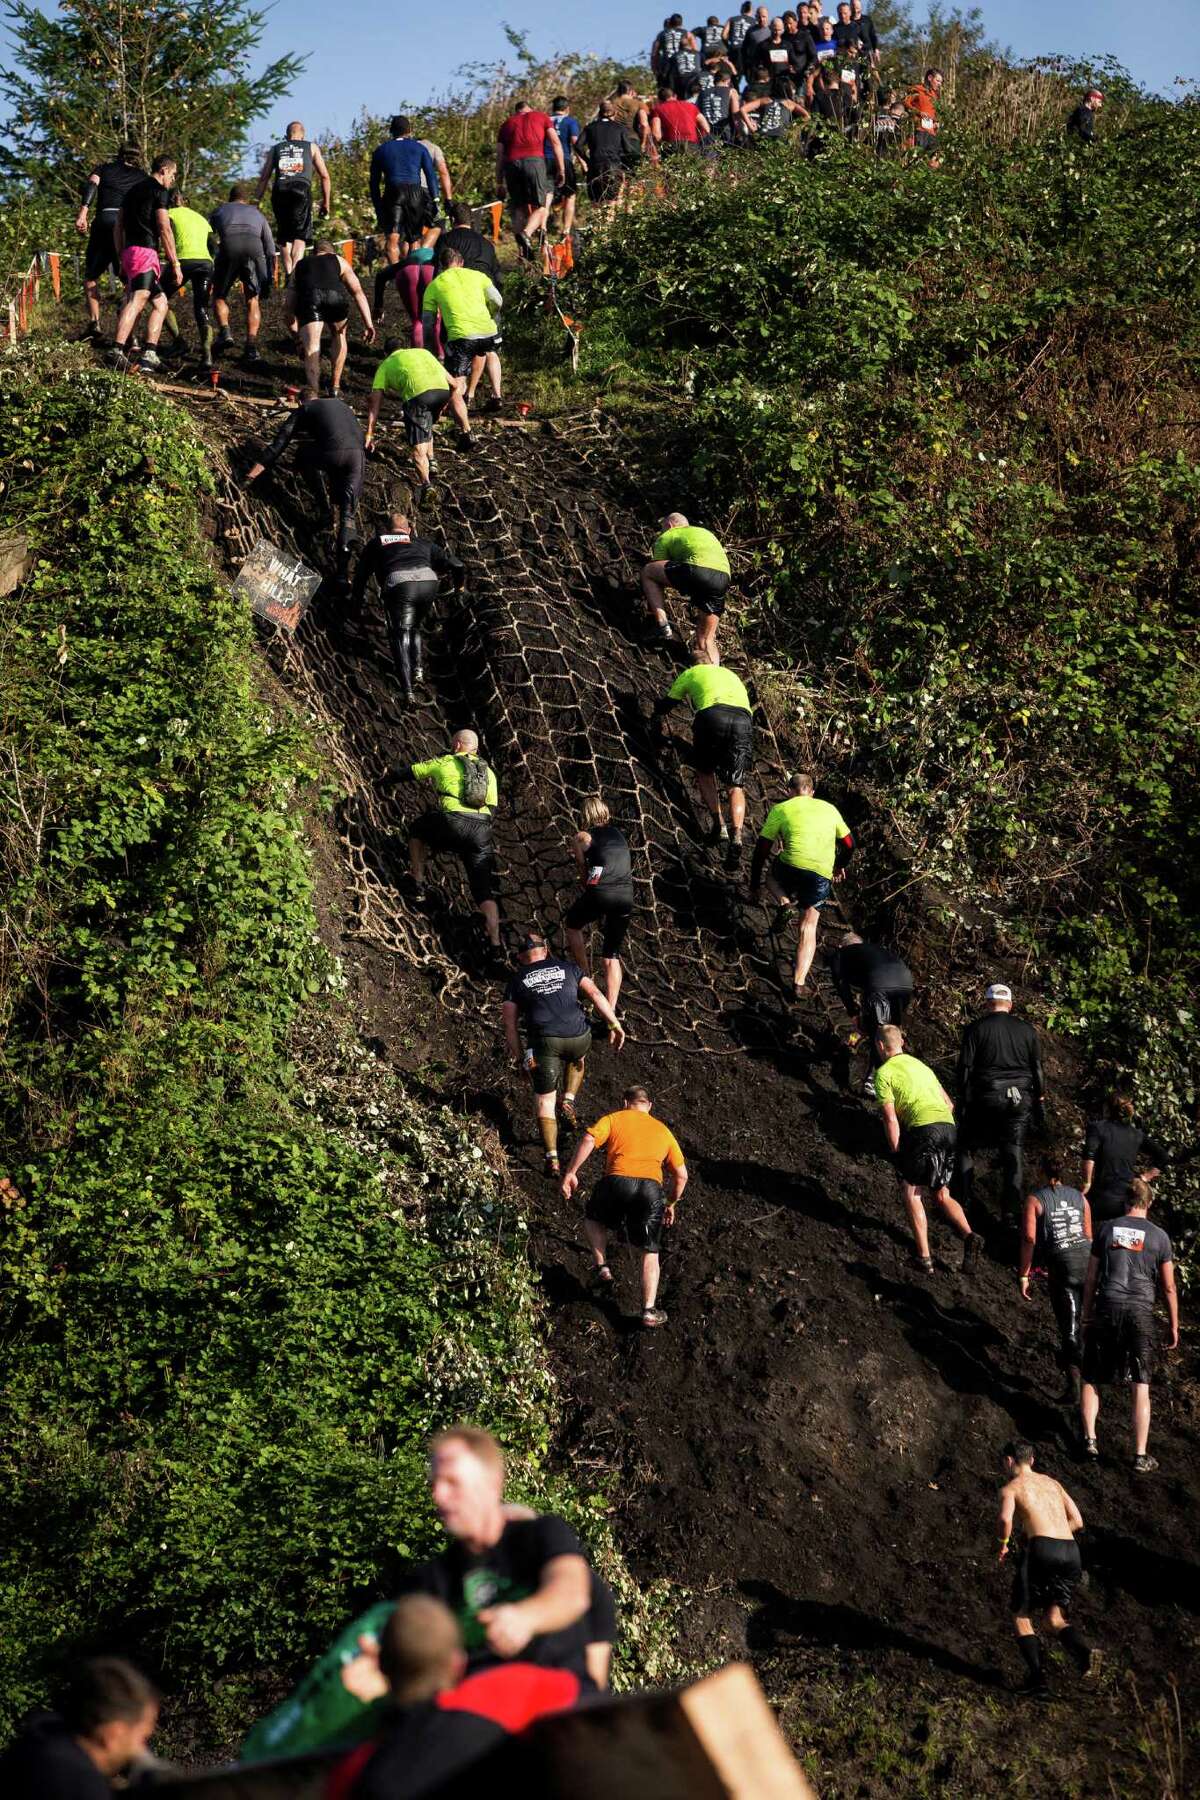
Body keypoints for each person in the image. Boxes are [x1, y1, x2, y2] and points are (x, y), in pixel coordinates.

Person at [396, 1429, 596, 1675]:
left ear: (492, 1483)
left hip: (559, 1695)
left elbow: (571, 1593)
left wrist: (526, 1617)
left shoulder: (542, 1534)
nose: (438, 1496)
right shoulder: (433, 1578)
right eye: (434, 1484)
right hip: (478, 1704)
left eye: (452, 1482)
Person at [561, 1085, 686, 1329]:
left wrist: (571, 1172)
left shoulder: (614, 1118)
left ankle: (602, 1267)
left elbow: (588, 1138)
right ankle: (649, 1310)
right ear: (649, 1106)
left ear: (625, 1102)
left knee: (593, 1218)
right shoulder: (663, 1131)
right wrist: (670, 1203)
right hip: (651, 1189)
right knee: (650, 1250)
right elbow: (682, 1176)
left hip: (617, 1181)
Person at [503, 933, 625, 1177]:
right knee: (577, 1057)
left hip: (544, 1044)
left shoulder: (516, 981)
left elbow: (510, 1026)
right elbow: (596, 995)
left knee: (545, 1101)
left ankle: (552, 1158)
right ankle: (569, 1099)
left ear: (519, 957)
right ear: (546, 949)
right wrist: (614, 1024)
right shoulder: (568, 967)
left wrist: (519, 1059)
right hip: (580, 1038)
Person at [1080, 1178, 1178, 1472]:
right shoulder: (1160, 1237)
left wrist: (1086, 1314)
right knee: (1141, 1384)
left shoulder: (1107, 1229)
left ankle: (1090, 1440)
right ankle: (1139, 1454)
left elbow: (1091, 1278)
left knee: (1091, 1375)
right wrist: (1174, 1324)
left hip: (1108, 1305)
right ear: (1149, 1203)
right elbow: (1169, 1286)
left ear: (1126, 1201)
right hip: (1140, 1312)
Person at [996, 1441, 1101, 1700]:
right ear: (1032, 1460)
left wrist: (1004, 1544)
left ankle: (1038, 1682)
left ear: (1009, 1461)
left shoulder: (1011, 1488)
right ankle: (1086, 1654)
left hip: (1041, 1549)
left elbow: (1005, 1519)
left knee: (1021, 1614)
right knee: (1053, 1618)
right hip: (1070, 1551)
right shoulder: (1054, 1484)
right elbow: (1078, 1520)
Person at [874, 1024, 982, 1275]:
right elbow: (949, 1103)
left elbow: (890, 1118)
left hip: (924, 1130)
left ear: (881, 1046)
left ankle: (923, 1257)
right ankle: (969, 1235)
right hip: (948, 1128)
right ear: (902, 1042)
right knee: (941, 1192)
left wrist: (896, 1152)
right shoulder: (922, 1066)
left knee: (912, 1191)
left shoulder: (884, 1073)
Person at [391, 730, 503, 957]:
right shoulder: (489, 773)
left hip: (453, 822)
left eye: (454, 743)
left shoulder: (448, 760)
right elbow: (492, 808)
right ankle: (496, 945)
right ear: (476, 748)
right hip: (481, 831)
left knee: (417, 830)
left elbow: (413, 772)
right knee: (483, 890)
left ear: (458, 744)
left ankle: (418, 882)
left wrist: (384, 780)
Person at [750, 772, 854, 996]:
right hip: (820, 873)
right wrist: (839, 866)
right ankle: (799, 983)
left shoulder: (781, 808)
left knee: (771, 876)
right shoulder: (830, 809)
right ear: (812, 792)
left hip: (790, 864)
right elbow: (850, 844)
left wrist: (754, 884)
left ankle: (784, 902)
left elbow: (762, 849)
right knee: (809, 926)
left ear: (790, 791)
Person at [243, 389, 365, 575]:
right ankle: (343, 576)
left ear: (300, 402)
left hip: (332, 453)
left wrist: (251, 475)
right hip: (357, 456)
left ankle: (324, 509)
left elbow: (279, 444)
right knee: (348, 516)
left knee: (302, 454)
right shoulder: (341, 404)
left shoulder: (305, 409)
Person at [0, 1657, 159, 1799]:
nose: (141, 1750)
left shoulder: (37, 1743)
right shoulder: (79, 1784)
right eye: (142, 1737)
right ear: (113, 1733)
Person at [953, 981, 1045, 1226]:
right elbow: (1037, 1069)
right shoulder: (1027, 1030)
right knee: (1013, 1149)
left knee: (965, 1145)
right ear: (1011, 1004)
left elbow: (965, 1068)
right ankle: (1011, 1212)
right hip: (1019, 1099)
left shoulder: (976, 1028)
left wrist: (961, 1098)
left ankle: (962, 1200)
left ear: (987, 1003)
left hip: (987, 1096)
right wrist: (1040, 1098)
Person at [350, 510, 464, 701]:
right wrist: (459, 589)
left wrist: (356, 602)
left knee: (400, 633)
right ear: (409, 529)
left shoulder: (379, 542)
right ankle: (418, 671)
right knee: (415, 626)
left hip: (401, 584)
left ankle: (407, 691)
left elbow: (361, 575)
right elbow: (457, 564)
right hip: (429, 582)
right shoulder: (422, 542)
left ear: (388, 530)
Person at [653, 659, 753, 862]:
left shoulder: (691, 672)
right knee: (735, 785)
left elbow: (668, 704)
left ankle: (719, 825)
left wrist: (655, 713)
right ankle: (737, 836)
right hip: (743, 721)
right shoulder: (731, 675)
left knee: (705, 772)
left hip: (713, 716)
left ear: (694, 662)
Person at [1020, 1151, 1092, 1403]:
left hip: (1062, 1265)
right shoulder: (1080, 1198)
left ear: (1042, 1171)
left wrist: (1024, 1274)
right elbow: (1088, 1234)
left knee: (1068, 1326)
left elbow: (1030, 1238)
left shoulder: (1035, 1200)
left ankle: (1075, 1382)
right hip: (1087, 1262)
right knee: (1088, 1320)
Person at [108, 153, 181, 371]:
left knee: (161, 303)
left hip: (130, 252)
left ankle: (149, 354)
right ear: (164, 170)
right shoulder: (160, 191)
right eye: (173, 175)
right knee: (138, 299)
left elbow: (118, 224)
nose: (173, 180)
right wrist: (175, 262)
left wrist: (122, 255)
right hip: (145, 253)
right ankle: (116, 350)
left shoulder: (131, 191)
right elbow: (164, 227)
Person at [564, 797, 634, 1009]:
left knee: (572, 924)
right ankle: (610, 1010)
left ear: (584, 816)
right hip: (626, 895)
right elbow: (606, 861)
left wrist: (588, 881)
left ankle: (586, 977)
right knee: (611, 956)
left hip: (602, 892)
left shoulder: (582, 836)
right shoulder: (619, 835)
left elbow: (587, 870)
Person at [365, 344, 469, 483]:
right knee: (427, 422)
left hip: (418, 398)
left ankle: (427, 485)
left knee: (418, 448)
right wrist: (442, 406)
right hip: (442, 392)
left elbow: (374, 401)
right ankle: (433, 461)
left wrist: (370, 433)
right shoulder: (423, 352)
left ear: (386, 354)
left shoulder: (385, 365)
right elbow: (455, 385)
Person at [284, 241, 375, 396]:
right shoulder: (339, 260)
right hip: (336, 297)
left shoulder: (299, 265)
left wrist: (297, 339)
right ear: (331, 252)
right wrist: (369, 324)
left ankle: (314, 391)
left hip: (311, 298)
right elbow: (358, 292)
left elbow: (288, 309)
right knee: (339, 335)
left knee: (312, 346)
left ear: (314, 253)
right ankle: (335, 387)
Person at [370, 117, 439, 317]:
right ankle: (415, 277)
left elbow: (374, 183)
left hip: (393, 191)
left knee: (392, 238)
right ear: (409, 130)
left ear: (391, 132)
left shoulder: (382, 150)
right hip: (416, 193)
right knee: (414, 238)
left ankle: (397, 274)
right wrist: (434, 199)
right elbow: (431, 175)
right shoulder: (419, 148)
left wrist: (378, 204)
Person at [421, 250, 504, 414]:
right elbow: (497, 300)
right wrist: (491, 314)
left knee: (457, 378)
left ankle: (457, 416)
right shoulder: (478, 276)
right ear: (461, 262)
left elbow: (428, 322)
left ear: (442, 266)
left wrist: (430, 348)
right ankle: (496, 396)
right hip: (488, 332)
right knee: (486, 353)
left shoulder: (435, 285)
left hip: (462, 336)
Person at [75, 143, 144, 336]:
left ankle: (95, 322)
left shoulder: (103, 169)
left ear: (119, 155)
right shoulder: (142, 177)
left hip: (104, 220)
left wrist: (83, 214)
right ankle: (128, 326)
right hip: (127, 226)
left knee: (91, 276)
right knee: (128, 278)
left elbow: (91, 185)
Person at [641, 511, 731, 660]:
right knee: (706, 639)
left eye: (662, 528)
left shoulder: (669, 535)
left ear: (670, 526)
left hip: (696, 569)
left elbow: (658, 567)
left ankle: (661, 625)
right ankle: (714, 677)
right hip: (722, 578)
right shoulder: (703, 532)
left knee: (648, 572)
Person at [825, 931, 910, 1083]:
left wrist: (853, 1013)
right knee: (893, 1033)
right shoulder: (873, 951)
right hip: (905, 983)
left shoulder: (841, 954)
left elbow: (841, 984)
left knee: (880, 1034)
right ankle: (898, 1079)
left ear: (841, 946)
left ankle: (877, 1081)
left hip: (881, 985)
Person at [208, 186, 276, 366]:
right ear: (246, 200)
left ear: (230, 199)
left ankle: (225, 332)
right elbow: (270, 248)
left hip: (229, 246)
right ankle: (251, 347)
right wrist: (269, 277)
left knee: (219, 296)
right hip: (254, 249)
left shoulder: (220, 210)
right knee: (252, 299)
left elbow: (207, 234)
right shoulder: (258, 214)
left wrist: (214, 253)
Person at [256, 122, 331, 277]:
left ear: (286, 136)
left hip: (280, 191)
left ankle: (289, 269)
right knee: (300, 234)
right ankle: (296, 272)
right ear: (302, 135)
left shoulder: (276, 148)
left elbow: (264, 177)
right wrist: (326, 203)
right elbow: (325, 176)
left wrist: (255, 202)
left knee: (284, 235)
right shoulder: (311, 147)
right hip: (301, 191)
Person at [1080, 1093, 1166, 1225]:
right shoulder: (1136, 1134)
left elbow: (1089, 1156)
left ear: (1107, 1108)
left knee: (1093, 1235)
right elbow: (1163, 1156)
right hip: (1127, 1199)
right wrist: (1144, 1177)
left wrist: (1087, 1183)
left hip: (1102, 1196)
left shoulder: (1098, 1128)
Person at [496, 99, 564, 257]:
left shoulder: (506, 124)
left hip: (511, 165)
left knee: (520, 208)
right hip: (534, 162)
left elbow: (499, 156)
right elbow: (556, 143)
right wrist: (561, 170)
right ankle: (526, 234)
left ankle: (523, 254)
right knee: (541, 207)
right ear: (530, 108)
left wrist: (499, 182)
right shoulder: (541, 117)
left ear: (516, 111)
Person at [163, 190, 216, 366]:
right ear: (187, 201)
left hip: (183, 261)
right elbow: (213, 247)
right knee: (201, 308)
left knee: (158, 297)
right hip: (206, 264)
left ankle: (179, 341)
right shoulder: (201, 218)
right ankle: (207, 354)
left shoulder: (168, 213)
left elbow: (163, 234)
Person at [576, 102, 643, 206]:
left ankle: (597, 222)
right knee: (611, 202)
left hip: (595, 167)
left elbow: (578, 146)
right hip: (613, 168)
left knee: (596, 202)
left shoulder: (590, 127)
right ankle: (609, 222)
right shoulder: (620, 128)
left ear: (599, 113)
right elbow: (628, 150)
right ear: (615, 113)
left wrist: (587, 160)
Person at [436, 201, 501, 281]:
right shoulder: (487, 243)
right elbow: (498, 276)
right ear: (471, 219)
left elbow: (439, 269)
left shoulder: (445, 239)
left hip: (460, 287)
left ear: (452, 219)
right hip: (487, 287)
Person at [547, 96, 582, 239]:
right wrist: (582, 160)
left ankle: (543, 227)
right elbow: (575, 142)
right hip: (564, 159)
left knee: (547, 193)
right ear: (567, 108)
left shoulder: (546, 120)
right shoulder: (570, 121)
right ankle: (566, 230)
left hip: (546, 160)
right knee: (570, 195)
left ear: (552, 108)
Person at [650, 86, 710, 157]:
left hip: (671, 145)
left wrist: (659, 147)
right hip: (692, 144)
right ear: (675, 96)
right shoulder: (691, 106)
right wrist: (700, 139)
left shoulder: (658, 109)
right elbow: (706, 128)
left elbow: (656, 134)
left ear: (659, 99)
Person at [697, 71, 743, 145]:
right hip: (725, 130)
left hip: (706, 131)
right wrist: (740, 130)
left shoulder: (703, 92)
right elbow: (735, 114)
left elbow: (697, 113)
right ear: (727, 80)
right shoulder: (731, 91)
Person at [904, 67, 943, 154]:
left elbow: (934, 112)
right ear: (930, 78)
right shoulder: (918, 90)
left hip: (932, 132)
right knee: (917, 158)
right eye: (938, 80)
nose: (940, 84)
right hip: (919, 130)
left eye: (941, 82)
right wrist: (918, 112)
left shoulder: (936, 96)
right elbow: (905, 103)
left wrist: (936, 121)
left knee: (935, 159)